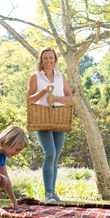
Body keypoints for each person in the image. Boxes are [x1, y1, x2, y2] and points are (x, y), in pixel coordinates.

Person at [26, 46, 73, 203]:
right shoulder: (36, 77)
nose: (48, 61)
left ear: (55, 59)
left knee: (55, 157)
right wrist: (44, 91)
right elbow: (29, 99)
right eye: (45, 58)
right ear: (41, 60)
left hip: (59, 119)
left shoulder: (61, 77)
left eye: (51, 57)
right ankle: (48, 194)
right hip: (42, 119)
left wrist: (57, 99)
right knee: (50, 153)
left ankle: (53, 194)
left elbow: (69, 98)